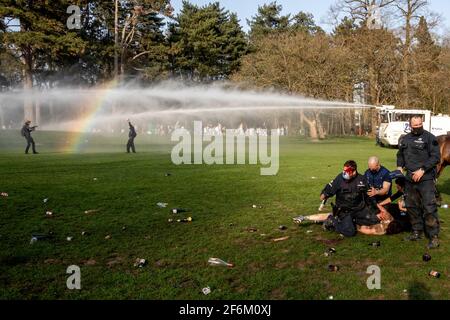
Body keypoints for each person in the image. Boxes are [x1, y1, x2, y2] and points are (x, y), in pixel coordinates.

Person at [397, 115, 441, 249]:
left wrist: (422, 170)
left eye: (419, 125)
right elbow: (400, 155)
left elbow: (436, 157)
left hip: (425, 178)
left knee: (429, 207)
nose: (417, 127)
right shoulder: (405, 138)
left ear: (422, 123)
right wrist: (399, 167)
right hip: (409, 179)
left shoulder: (430, 138)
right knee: (411, 206)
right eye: (414, 125)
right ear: (410, 125)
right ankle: (417, 232)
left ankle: (433, 236)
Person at [317, 160, 380, 237]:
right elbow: (327, 191)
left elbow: (369, 196)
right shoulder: (339, 178)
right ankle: (332, 221)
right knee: (350, 232)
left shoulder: (362, 180)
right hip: (344, 211)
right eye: (344, 170)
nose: (344, 173)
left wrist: (376, 210)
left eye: (347, 171)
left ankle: (352, 221)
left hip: (359, 209)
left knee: (375, 220)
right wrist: (324, 194)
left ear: (354, 171)